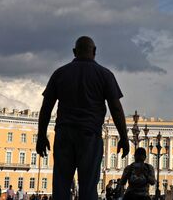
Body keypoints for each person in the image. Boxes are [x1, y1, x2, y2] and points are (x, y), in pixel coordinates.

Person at [36, 36, 130, 200]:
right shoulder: (105, 75)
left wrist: (41, 136)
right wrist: (123, 136)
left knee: (61, 184)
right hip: (90, 136)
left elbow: (46, 108)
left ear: (74, 52)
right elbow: (116, 108)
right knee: (88, 185)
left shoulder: (60, 73)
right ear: (94, 52)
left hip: (64, 134)